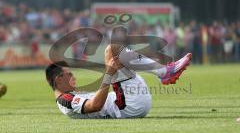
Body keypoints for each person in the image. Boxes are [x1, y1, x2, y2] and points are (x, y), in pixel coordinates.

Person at [45, 44, 192, 119]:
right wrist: (109, 74)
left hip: (131, 103)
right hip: (128, 106)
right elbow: (95, 106)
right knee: (112, 49)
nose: (74, 77)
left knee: (118, 55)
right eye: (69, 74)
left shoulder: (69, 96)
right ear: (58, 80)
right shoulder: (65, 100)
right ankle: (165, 72)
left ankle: (164, 71)